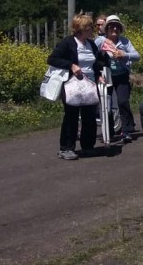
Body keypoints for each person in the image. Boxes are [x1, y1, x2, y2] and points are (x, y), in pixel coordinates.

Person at [47, 12, 109, 160]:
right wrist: (71, 65)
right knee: (71, 116)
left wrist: (99, 73)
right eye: (89, 27)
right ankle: (66, 148)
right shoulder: (68, 43)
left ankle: (88, 146)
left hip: (89, 85)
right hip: (71, 85)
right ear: (81, 29)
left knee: (89, 116)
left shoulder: (91, 44)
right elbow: (52, 59)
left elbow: (97, 62)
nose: (92, 29)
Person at [95, 15, 140, 143]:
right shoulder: (100, 40)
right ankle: (109, 132)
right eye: (111, 26)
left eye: (117, 27)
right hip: (105, 76)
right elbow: (92, 50)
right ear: (106, 28)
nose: (114, 29)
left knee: (123, 102)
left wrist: (124, 54)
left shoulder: (125, 42)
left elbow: (137, 56)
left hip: (122, 76)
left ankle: (126, 131)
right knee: (106, 105)